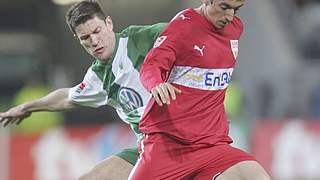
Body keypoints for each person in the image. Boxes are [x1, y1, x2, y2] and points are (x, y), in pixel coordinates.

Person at [0, 0, 166, 179]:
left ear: (108, 23)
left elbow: (187, 29)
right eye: (85, 38)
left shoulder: (141, 39)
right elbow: (67, 98)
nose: (94, 41)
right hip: (149, 146)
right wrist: (27, 107)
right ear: (77, 39)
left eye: (97, 31)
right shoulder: (98, 76)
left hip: (185, 137)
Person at [129, 0, 271, 179]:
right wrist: (156, 83)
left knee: (257, 177)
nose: (230, 16)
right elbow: (151, 65)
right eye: (224, 7)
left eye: (236, 9)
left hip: (212, 145)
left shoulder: (235, 28)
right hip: (170, 146)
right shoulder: (182, 27)